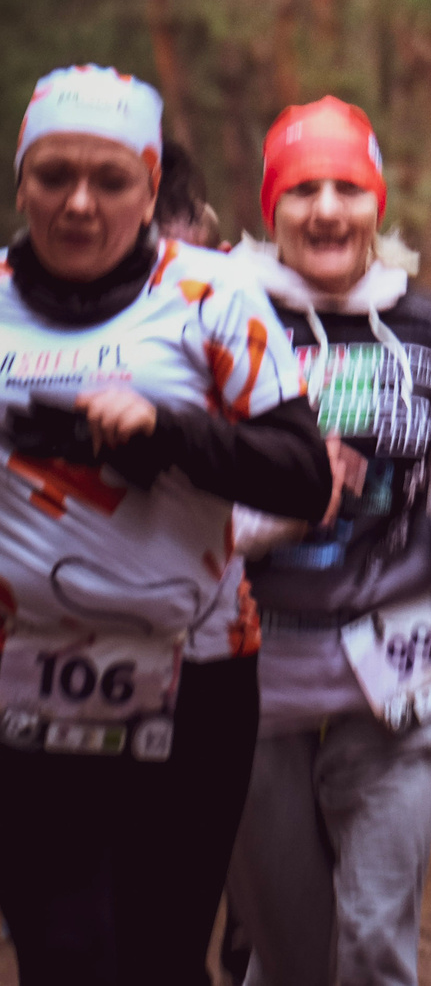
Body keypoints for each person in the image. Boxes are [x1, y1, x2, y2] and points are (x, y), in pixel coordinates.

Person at [0, 66, 330, 984]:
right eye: (53, 175)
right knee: (62, 953)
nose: (79, 202)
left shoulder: (212, 295)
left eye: (110, 180)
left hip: (196, 674)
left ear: (150, 190)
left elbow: (304, 477)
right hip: (19, 672)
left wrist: (168, 432)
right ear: (21, 183)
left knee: (158, 953)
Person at [223, 97, 431, 986]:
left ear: (377, 203)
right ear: (271, 207)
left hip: (395, 660)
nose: (326, 209)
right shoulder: (223, 316)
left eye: (348, 187)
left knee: (377, 942)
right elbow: (189, 492)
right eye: (302, 189)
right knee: (292, 958)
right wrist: (288, 506)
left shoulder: (428, 322)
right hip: (254, 671)